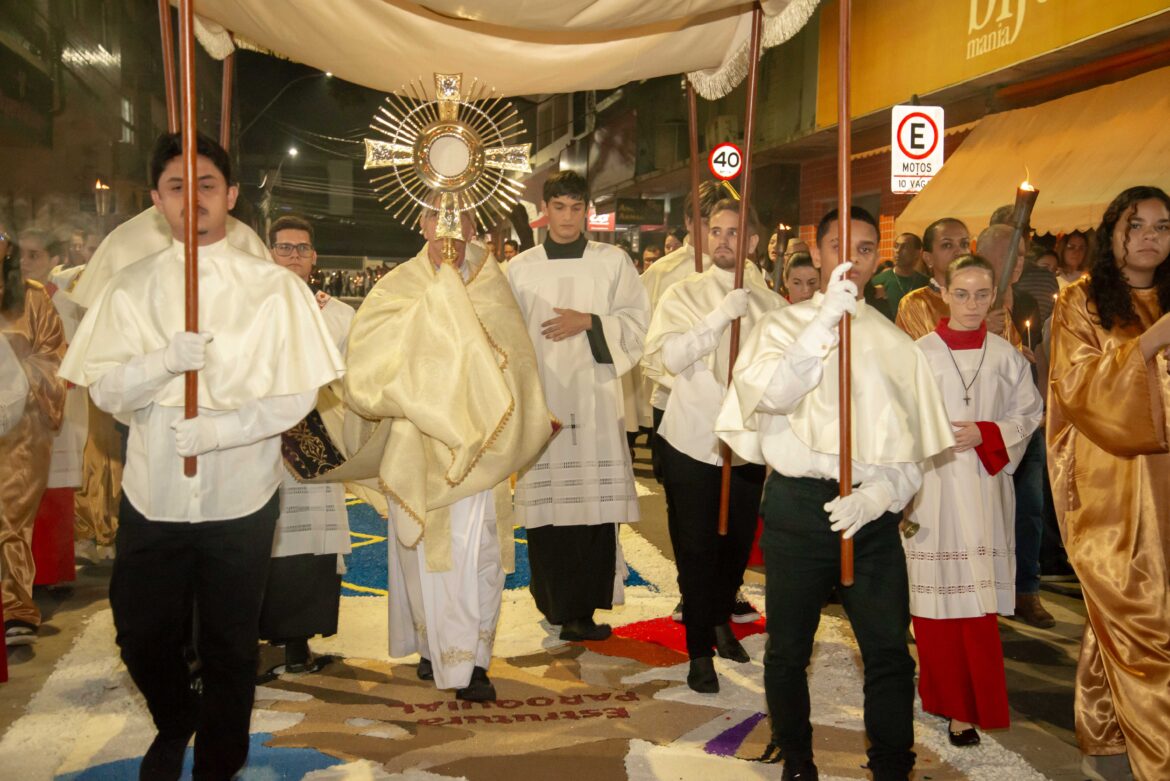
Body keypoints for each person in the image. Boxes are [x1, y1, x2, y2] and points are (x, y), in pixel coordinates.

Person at [59, 131, 343, 780]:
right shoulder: (130, 288)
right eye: (178, 186)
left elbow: (296, 393)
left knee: (230, 645)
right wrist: (164, 361)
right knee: (140, 632)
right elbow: (104, 387)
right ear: (157, 198)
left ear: (233, 196)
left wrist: (225, 430)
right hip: (155, 491)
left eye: (208, 184)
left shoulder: (273, 290)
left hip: (239, 494)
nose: (194, 199)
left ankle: (220, 762)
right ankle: (174, 715)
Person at [716, 206, 953, 781]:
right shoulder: (780, 325)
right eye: (839, 245)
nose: (852, 257)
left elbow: (913, 450)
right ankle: (797, 756)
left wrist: (881, 494)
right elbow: (769, 396)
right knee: (788, 650)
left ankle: (893, 766)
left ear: (879, 257)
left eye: (867, 248)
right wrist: (819, 327)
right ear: (817, 251)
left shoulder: (897, 343)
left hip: (868, 519)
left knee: (890, 653)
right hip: (799, 507)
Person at [346, 203, 552, 700]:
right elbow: (370, 365)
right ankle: (429, 645)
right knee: (421, 556)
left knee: (475, 553)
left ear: (473, 225)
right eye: (436, 216)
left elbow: (517, 356)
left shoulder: (492, 280)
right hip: (418, 444)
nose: (447, 229)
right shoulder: (397, 285)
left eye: (458, 219)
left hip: (482, 448)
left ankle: (471, 663)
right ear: (419, 222)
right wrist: (439, 305)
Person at [1047, 185, 1170, 781]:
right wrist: (1150, 343)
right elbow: (1077, 389)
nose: (1150, 236)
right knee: (1144, 617)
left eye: (1162, 226)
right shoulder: (1082, 302)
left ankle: (1105, 726)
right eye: (1136, 224)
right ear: (1112, 232)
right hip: (1114, 486)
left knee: (1122, 620)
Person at [643, 199, 782, 693]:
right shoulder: (683, 294)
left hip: (744, 444)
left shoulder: (770, 303)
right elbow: (672, 359)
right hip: (691, 439)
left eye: (734, 233)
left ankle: (721, 616)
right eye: (716, 230)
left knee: (736, 545)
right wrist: (720, 316)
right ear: (704, 236)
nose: (724, 240)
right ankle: (699, 648)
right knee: (697, 548)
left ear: (749, 242)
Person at [905, 254, 1043, 747]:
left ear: (996, 297)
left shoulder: (1006, 356)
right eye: (961, 293)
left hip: (984, 490)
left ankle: (974, 703)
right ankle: (945, 699)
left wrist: (987, 432)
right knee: (935, 601)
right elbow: (897, 418)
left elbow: (1030, 414)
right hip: (932, 488)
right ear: (941, 292)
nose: (971, 304)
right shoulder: (917, 353)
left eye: (982, 294)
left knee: (976, 603)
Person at [506, 170, 649, 642]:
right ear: (546, 210)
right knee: (548, 514)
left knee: (591, 510)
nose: (568, 217)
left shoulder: (612, 262)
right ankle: (552, 603)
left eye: (576, 207)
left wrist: (589, 321)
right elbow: (505, 334)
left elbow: (637, 322)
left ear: (586, 210)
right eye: (559, 207)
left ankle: (583, 612)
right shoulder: (520, 268)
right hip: (544, 399)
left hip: (595, 400)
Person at [258, 215, 354, 674]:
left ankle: (299, 643)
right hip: (261, 445)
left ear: (314, 257)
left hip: (319, 446)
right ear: (269, 252)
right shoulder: (249, 309)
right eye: (284, 248)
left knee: (312, 545)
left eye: (301, 248)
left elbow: (355, 379)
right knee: (264, 542)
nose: (293, 255)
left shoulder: (338, 314)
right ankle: (256, 640)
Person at [1, 245, 67, 646]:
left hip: (21, 427)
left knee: (8, 518)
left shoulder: (32, 297)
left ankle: (15, 607)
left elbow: (54, 357)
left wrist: (14, 378)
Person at [865, 233, 928, 322]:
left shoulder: (926, 284)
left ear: (917, 253)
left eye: (905, 247)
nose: (898, 250)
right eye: (896, 246)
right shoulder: (878, 281)